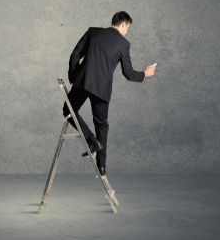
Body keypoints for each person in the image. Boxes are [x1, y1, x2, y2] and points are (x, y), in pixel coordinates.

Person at [63, 11, 156, 176]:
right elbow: (129, 74)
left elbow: (74, 55)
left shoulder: (93, 32)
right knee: (102, 125)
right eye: (128, 27)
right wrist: (145, 74)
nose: (127, 31)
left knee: (68, 110)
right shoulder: (123, 44)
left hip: (83, 82)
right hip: (102, 89)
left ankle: (91, 140)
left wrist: (73, 77)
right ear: (123, 24)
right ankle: (102, 167)